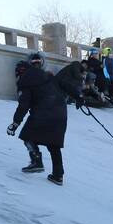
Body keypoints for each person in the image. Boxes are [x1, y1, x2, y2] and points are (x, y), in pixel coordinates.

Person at [7, 53, 77, 186]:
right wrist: (79, 97)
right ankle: (58, 175)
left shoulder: (25, 80)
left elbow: (24, 104)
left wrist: (16, 122)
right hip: (60, 113)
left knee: (27, 135)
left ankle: (36, 161)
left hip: (43, 112)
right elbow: (65, 84)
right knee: (54, 144)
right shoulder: (49, 76)